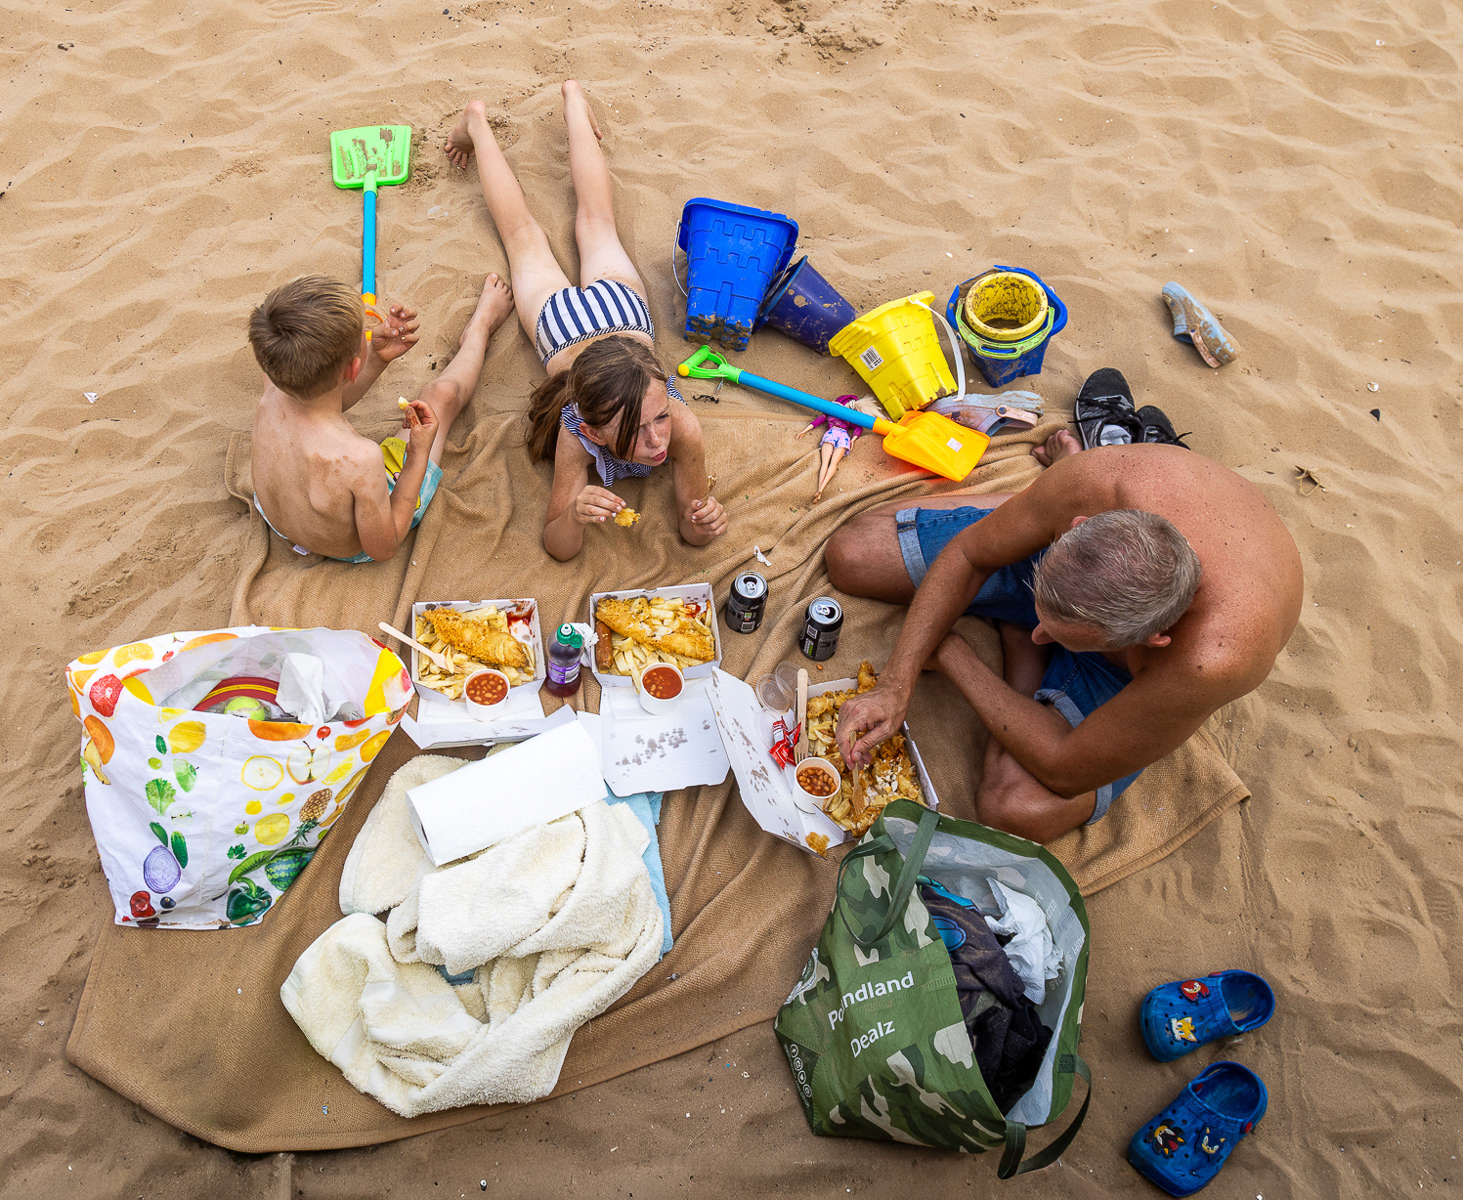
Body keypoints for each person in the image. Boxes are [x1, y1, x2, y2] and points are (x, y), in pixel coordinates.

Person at [827, 369, 1303, 843]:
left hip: (1140, 659)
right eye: (1039, 613)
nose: (1039, 629)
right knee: (853, 556)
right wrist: (895, 683)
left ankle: (1024, 645)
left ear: (1155, 637)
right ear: (1076, 527)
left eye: (1056, 635)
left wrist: (954, 656)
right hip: (1096, 523)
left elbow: (1064, 768)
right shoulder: (1093, 486)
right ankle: (1024, 510)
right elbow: (971, 555)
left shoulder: (1211, 657)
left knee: (1015, 811)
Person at [445, 82, 728, 562]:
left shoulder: (683, 426)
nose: (658, 439)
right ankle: (492, 118)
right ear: (595, 433)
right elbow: (558, 547)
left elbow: (693, 531)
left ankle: (559, 104)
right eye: (636, 431)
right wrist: (572, 514)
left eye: (660, 417)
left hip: (614, 320)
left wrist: (707, 523)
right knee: (577, 226)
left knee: (538, 234)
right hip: (574, 326)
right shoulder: (576, 435)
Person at [249, 272, 514, 562]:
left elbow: (325, 398)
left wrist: (374, 358)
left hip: (282, 519)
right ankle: (480, 330)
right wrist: (416, 455)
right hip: (350, 546)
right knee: (441, 395)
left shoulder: (273, 383)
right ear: (352, 370)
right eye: (364, 333)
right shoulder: (361, 458)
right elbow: (383, 549)